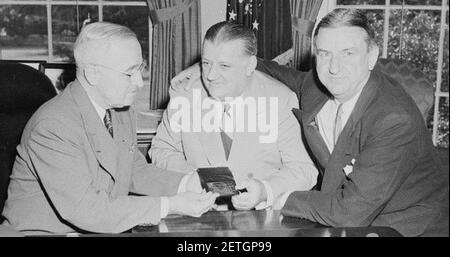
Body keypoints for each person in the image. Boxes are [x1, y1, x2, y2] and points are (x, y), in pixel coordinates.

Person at [172, 10, 449, 236]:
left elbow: (350, 213)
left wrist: (270, 195)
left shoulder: (393, 119)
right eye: (325, 53)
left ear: (372, 56)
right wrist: (203, 69)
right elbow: (267, 68)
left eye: (348, 53)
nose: (334, 67)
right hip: (339, 214)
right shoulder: (315, 85)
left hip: (406, 224)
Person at [1, 22, 218, 235]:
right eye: (129, 73)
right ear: (93, 74)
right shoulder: (53, 126)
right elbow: (87, 210)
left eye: (140, 69)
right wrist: (169, 205)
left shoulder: (120, 113)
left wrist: (187, 182)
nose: (139, 82)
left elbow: (133, 171)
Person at [149, 21, 318, 211]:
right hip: (195, 218)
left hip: (260, 224)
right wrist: (190, 180)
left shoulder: (281, 99)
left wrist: (265, 190)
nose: (211, 75)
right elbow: (161, 149)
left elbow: (303, 168)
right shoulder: (185, 94)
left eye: (224, 66)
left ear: (250, 65)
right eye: (206, 63)